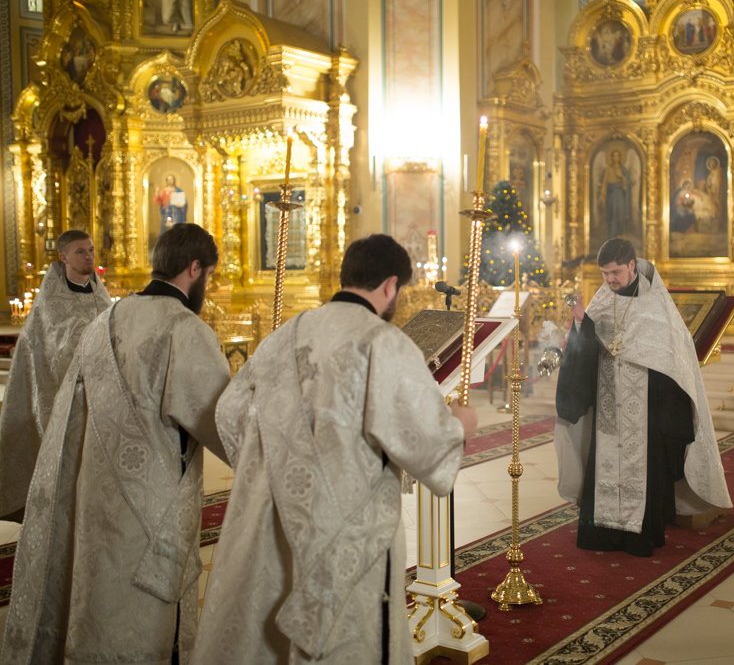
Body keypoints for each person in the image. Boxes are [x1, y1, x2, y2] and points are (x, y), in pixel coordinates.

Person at [190, 234, 478, 665]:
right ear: (389, 286)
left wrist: (271, 470)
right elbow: (428, 450)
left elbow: (229, 412)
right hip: (346, 532)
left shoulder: (283, 336)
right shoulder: (382, 340)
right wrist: (460, 425)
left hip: (272, 515)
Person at [1, 223, 231, 665]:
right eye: (209, 276)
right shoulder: (185, 330)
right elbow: (224, 423)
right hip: (151, 513)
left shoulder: (104, 320)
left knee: (95, 604)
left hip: (92, 499)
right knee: (141, 626)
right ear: (195, 267)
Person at [554, 238, 731, 557]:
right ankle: (602, 533)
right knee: (605, 462)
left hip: (645, 409)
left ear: (632, 266)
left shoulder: (655, 303)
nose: (610, 280)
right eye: (605, 274)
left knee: (642, 465)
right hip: (610, 405)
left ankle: (639, 536)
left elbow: (673, 354)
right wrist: (582, 323)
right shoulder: (603, 298)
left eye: (616, 273)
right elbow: (588, 348)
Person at [0, 230, 112, 523]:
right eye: (80, 252)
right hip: (64, 396)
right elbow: (54, 350)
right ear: (63, 257)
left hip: (102, 394)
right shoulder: (50, 303)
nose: (89, 256)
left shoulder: (101, 293)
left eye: (90, 250)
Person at [599, 148, 631, 240]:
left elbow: (627, 184)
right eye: (614, 155)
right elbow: (604, 183)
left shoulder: (623, 169)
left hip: (620, 195)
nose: (615, 157)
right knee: (612, 214)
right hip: (611, 196)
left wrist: (622, 177)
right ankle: (611, 236)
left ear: (620, 157)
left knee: (620, 214)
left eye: (617, 155)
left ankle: (622, 235)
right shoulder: (608, 169)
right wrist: (602, 194)